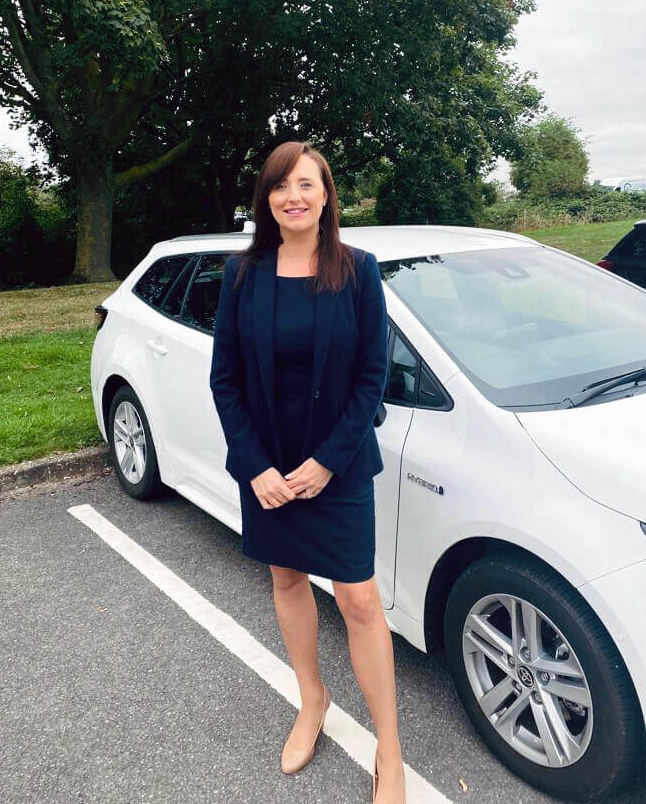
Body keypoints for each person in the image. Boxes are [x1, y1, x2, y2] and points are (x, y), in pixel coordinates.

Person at [209, 141, 406, 803]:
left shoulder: (359, 271)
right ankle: (312, 701)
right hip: (267, 470)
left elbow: (371, 380)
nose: (293, 196)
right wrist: (256, 466)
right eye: (279, 187)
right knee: (288, 579)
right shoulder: (242, 275)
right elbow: (226, 381)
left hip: (338, 467)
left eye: (306, 184)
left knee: (359, 601)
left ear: (326, 195)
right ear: (267, 200)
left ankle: (390, 750)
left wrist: (326, 462)